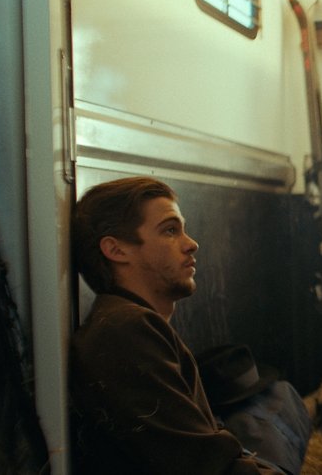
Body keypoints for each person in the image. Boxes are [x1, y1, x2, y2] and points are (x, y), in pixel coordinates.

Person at [69, 176, 284, 474]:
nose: (191, 244)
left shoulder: (129, 321)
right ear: (116, 250)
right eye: (170, 231)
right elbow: (207, 467)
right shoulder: (124, 329)